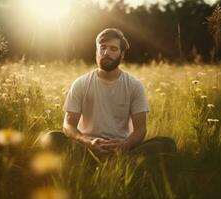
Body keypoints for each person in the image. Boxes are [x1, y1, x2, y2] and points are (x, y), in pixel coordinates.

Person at [43, 28, 176, 156]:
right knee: (51, 137)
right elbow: (68, 125)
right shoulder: (81, 83)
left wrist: (124, 146)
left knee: (167, 143)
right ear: (97, 51)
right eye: (103, 47)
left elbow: (140, 129)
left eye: (113, 49)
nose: (107, 52)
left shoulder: (135, 85)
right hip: (86, 147)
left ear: (122, 54)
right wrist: (87, 141)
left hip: (123, 147)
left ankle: (122, 159)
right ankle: (117, 161)